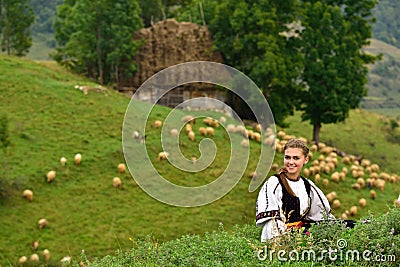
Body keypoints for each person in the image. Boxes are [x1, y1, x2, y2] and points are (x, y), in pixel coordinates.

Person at [256, 138, 335, 242]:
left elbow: (321, 214)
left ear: (305, 160)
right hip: (278, 236)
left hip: (300, 236)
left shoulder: (307, 185)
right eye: (287, 157)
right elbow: (272, 220)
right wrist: (283, 241)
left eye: (296, 158)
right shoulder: (274, 183)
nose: (291, 162)